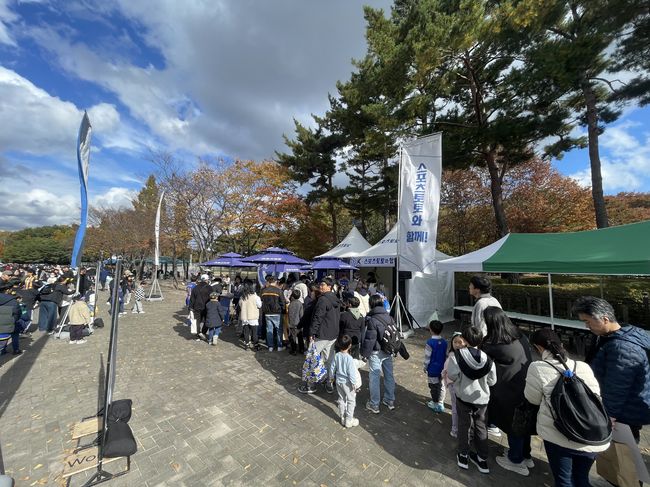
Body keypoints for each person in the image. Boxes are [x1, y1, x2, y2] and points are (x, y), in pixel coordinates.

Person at [525, 328, 610, 486]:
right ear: (561, 344)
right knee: (581, 478)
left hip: (560, 433)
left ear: (539, 348)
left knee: (564, 480)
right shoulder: (582, 366)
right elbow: (596, 396)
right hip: (591, 433)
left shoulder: (537, 367)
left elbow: (533, 399)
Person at [575, 296, 650, 444]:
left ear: (604, 319)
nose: (586, 326)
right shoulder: (612, 335)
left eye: (587, 322)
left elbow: (617, 387)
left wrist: (609, 416)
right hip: (622, 409)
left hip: (624, 414)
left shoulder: (623, 348)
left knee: (624, 456)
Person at [481, 307, 534, 476]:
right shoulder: (520, 335)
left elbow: (481, 360)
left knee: (513, 424)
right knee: (523, 421)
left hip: (508, 388)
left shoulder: (494, 343)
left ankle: (515, 459)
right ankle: (526, 455)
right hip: (527, 384)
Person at [447, 326, 497, 474]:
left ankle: (463, 456)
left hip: (463, 397)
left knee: (464, 426)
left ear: (465, 339)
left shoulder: (456, 356)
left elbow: (452, 375)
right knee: (481, 426)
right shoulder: (488, 360)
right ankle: (482, 459)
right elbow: (492, 381)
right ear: (480, 340)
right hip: (481, 400)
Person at [299, 278, 340, 394]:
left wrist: (312, 333)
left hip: (322, 334)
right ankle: (329, 383)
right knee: (329, 360)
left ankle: (310, 385)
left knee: (312, 358)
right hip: (333, 334)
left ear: (329, 287)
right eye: (320, 284)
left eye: (323, 285)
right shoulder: (335, 298)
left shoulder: (323, 300)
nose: (320, 286)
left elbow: (317, 317)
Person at [360, 294, 397, 413]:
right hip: (388, 350)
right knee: (389, 375)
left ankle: (374, 404)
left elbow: (370, 339)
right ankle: (389, 400)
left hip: (376, 352)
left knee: (374, 377)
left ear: (371, 305)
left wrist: (365, 355)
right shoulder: (390, 317)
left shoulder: (373, 320)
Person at [329, 335, 361, 428]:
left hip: (339, 381)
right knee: (351, 401)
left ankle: (342, 417)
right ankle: (349, 419)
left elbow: (332, 367)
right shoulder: (349, 358)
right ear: (350, 346)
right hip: (348, 383)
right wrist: (354, 384)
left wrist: (331, 378)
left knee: (341, 399)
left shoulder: (337, 355)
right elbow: (351, 373)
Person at [442, 332, 466, 438]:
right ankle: (456, 428)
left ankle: (455, 429)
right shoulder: (462, 355)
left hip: (454, 384)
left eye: (459, 342)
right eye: (454, 342)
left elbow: (446, 371)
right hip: (457, 385)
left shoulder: (454, 356)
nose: (457, 344)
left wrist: (444, 377)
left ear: (465, 343)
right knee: (457, 407)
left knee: (456, 407)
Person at [423, 320, 447, 413]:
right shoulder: (444, 342)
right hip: (442, 368)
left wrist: (425, 367)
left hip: (432, 369)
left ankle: (435, 403)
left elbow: (427, 357)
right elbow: (445, 355)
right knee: (442, 386)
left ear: (431, 330)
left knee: (433, 386)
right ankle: (441, 402)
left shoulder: (430, 342)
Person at [260, 276, 287, 351]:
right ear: (275, 282)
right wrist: (284, 311)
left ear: (269, 282)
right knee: (279, 330)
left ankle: (270, 346)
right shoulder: (278, 291)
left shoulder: (264, 291)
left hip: (267, 313)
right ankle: (279, 346)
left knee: (269, 329)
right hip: (277, 312)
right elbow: (283, 302)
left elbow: (261, 300)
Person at [0, 282, 22, 355]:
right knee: (15, 334)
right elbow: (17, 313)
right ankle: (15, 349)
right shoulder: (13, 301)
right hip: (9, 323)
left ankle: (3, 350)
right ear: (7, 290)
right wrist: (12, 320)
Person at [239, 281, 262, 351]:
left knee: (246, 332)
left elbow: (240, 305)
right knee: (254, 333)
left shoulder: (242, 297)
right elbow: (259, 305)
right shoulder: (255, 297)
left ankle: (247, 345)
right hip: (253, 317)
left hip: (245, 317)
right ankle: (256, 345)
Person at [189, 274, 212, 341]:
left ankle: (199, 334)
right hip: (207, 307)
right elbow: (212, 298)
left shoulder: (195, 287)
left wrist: (190, 307)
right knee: (207, 321)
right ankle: (203, 332)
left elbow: (192, 299)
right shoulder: (210, 288)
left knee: (197, 321)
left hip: (197, 307)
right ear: (207, 280)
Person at [287, 289, 304, 355]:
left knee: (293, 338)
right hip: (299, 323)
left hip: (292, 324)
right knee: (300, 337)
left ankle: (294, 350)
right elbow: (301, 315)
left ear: (292, 296)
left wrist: (289, 323)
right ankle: (301, 349)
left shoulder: (291, 304)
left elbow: (289, 315)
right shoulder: (300, 304)